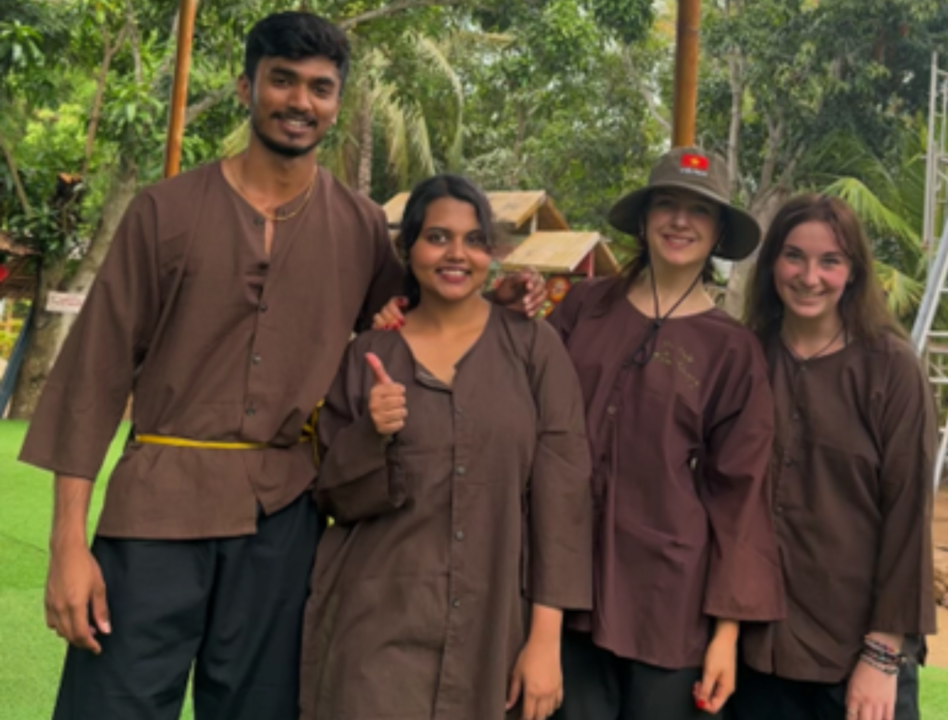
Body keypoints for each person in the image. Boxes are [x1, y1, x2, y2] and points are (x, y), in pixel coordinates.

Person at [19, 12, 542, 720]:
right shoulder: (163, 213)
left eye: (321, 88)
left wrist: (496, 291)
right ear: (246, 87)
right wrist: (66, 547)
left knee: (262, 709)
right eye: (283, 81)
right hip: (156, 514)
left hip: (284, 519)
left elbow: (418, 308)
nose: (301, 101)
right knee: (113, 706)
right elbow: (94, 378)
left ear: (336, 104)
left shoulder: (357, 226)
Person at [374, 147, 786, 719]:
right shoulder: (579, 309)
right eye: (666, 204)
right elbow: (496, 368)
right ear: (643, 219)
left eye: (700, 210)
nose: (680, 221)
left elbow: (740, 497)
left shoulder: (732, 350)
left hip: (668, 603)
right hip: (558, 593)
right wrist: (415, 314)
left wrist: (727, 635)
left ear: (718, 231)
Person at [299, 174, 592, 720]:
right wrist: (371, 433)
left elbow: (563, 495)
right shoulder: (372, 350)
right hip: (376, 629)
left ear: (492, 255)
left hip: (491, 633)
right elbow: (331, 496)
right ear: (407, 250)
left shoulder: (531, 346)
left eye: (475, 240)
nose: (457, 254)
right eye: (438, 238)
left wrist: (546, 640)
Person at [728, 194, 937, 720]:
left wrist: (883, 653)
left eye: (831, 261)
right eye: (794, 256)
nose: (809, 276)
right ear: (772, 261)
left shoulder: (891, 370)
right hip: (755, 657)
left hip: (855, 661)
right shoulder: (745, 358)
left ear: (854, 273)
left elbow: (909, 517)